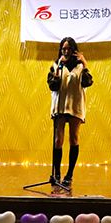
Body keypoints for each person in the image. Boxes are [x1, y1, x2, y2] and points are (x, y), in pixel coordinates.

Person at [47, 37, 93, 187]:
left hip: (75, 107)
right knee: (58, 140)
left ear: (74, 51)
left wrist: (85, 64)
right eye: (63, 49)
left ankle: (69, 174)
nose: (66, 52)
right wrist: (58, 70)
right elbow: (53, 86)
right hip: (60, 107)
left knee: (73, 139)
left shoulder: (80, 67)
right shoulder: (56, 65)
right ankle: (57, 173)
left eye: (68, 49)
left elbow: (87, 82)